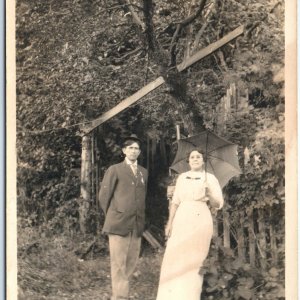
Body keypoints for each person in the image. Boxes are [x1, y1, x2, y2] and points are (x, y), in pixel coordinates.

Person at [156, 149, 224, 300]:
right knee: (175, 255)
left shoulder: (210, 178)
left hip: (200, 218)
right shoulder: (182, 177)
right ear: (188, 161)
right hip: (182, 217)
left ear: (203, 160)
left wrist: (209, 193)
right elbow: (175, 202)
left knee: (195, 259)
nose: (195, 159)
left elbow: (218, 203)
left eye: (198, 157)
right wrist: (170, 223)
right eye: (192, 157)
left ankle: (190, 296)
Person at [98, 134, 148, 300]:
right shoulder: (115, 169)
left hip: (136, 224)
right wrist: (114, 214)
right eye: (130, 148)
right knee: (118, 263)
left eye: (136, 148)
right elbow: (104, 196)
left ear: (139, 152)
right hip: (118, 223)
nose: (134, 151)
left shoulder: (143, 172)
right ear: (124, 151)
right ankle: (119, 297)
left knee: (131, 262)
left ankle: (122, 293)